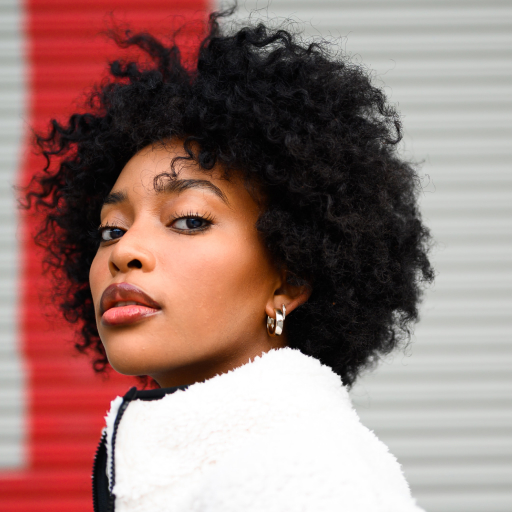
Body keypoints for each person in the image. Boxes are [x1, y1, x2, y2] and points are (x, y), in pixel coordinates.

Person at [24, 8, 433, 512]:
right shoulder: (237, 468)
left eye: (189, 220)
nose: (124, 251)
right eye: (111, 229)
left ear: (289, 278)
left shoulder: (305, 478)